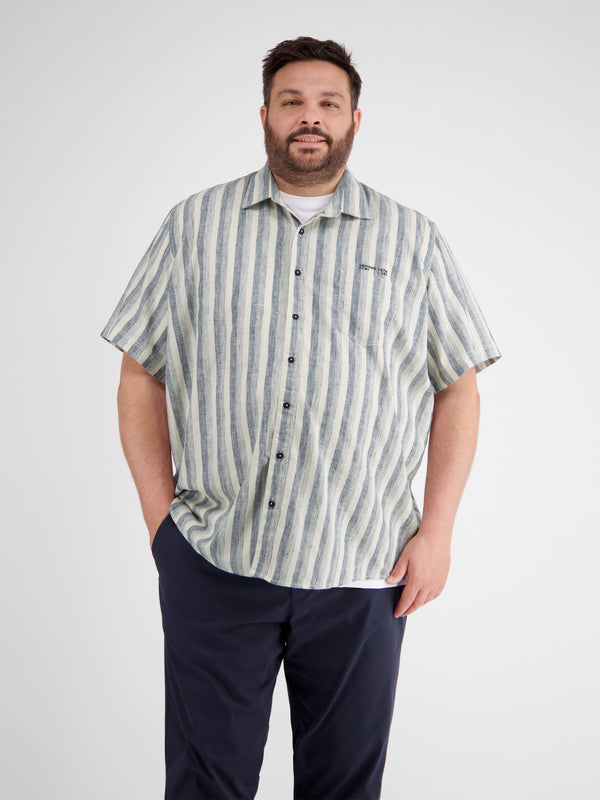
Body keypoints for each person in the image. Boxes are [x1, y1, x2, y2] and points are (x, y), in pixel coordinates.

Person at [101, 36, 501, 800]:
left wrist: (439, 532)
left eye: (327, 103)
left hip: (363, 566)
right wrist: (162, 523)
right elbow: (139, 368)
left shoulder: (411, 237)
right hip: (216, 561)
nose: (309, 117)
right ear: (265, 115)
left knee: (343, 788)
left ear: (354, 120)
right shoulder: (195, 225)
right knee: (205, 786)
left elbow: (459, 387)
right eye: (292, 102)